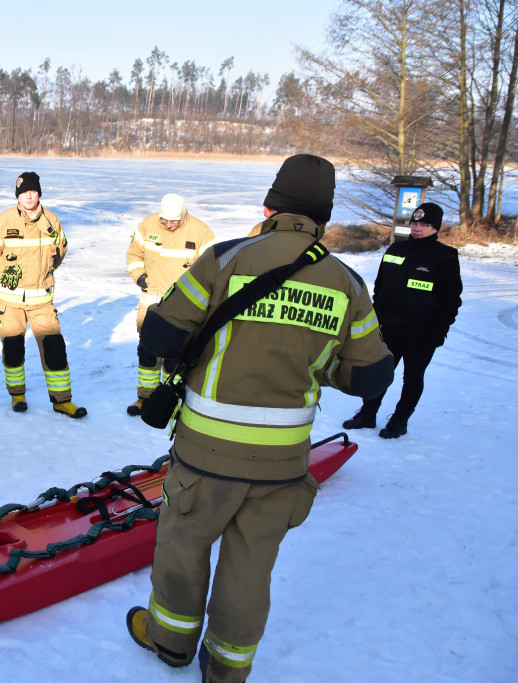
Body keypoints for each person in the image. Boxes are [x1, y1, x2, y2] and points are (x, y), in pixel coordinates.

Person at [125, 155, 394, 683]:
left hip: (206, 453)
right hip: (282, 465)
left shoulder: (226, 259)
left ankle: (170, 644)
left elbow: (159, 337)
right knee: (250, 568)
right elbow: (370, 378)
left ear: (269, 207)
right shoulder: (347, 284)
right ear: (324, 217)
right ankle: (225, 671)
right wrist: (317, 362)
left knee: (183, 549)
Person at [342, 202, 462, 438]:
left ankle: (400, 419)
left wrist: (440, 329)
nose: (418, 228)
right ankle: (368, 413)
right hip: (390, 328)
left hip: (422, 333)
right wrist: (377, 317)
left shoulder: (444, 257)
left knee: (413, 377)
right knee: (381, 372)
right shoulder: (396, 250)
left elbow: (451, 300)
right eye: (415, 223)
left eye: (425, 224)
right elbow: (381, 287)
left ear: (435, 228)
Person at [0, 172, 86, 418]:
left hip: (42, 301)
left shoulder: (51, 220)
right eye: (23, 192)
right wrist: (1, 273)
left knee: (55, 348)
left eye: (33, 191)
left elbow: (59, 252)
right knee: (13, 348)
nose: (28, 195)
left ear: (39, 193)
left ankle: (62, 400)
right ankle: (17, 395)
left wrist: (42, 273)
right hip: (10, 302)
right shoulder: (4, 220)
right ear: (18, 195)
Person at [125, 193, 215, 415]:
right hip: (151, 303)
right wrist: (140, 278)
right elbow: (133, 254)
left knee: (176, 356)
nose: (169, 225)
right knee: (147, 353)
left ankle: (171, 401)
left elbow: (211, 269)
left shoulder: (201, 232)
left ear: (183, 215)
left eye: (173, 221)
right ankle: (145, 398)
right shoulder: (147, 225)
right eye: (165, 221)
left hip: (182, 308)